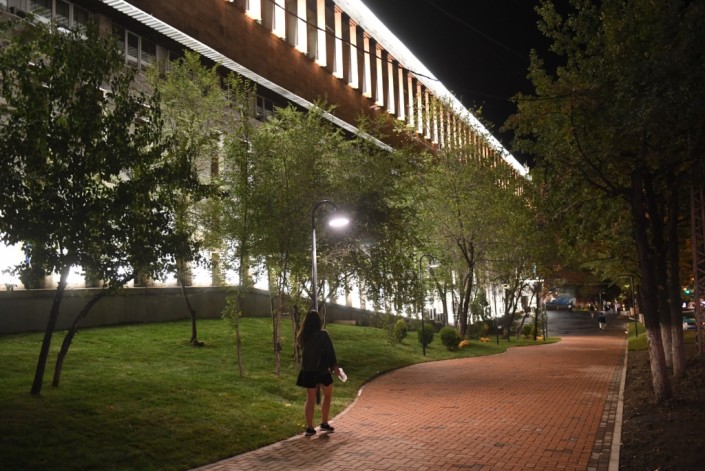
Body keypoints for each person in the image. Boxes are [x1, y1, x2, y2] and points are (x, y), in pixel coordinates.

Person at [296, 309, 340, 437]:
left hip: (308, 370)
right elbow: (330, 351)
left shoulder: (303, 336)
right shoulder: (323, 334)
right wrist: (334, 366)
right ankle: (324, 423)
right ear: (318, 321)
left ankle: (310, 427)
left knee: (310, 399)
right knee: (328, 395)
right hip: (322, 370)